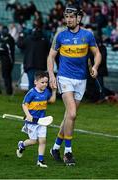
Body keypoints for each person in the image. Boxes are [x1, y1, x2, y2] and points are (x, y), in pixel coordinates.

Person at [47, 4, 101, 166]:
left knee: (68, 116)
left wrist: (95, 67)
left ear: (79, 18)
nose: (68, 20)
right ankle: (68, 152)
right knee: (72, 114)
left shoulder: (88, 35)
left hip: (81, 80)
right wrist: (51, 75)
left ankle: (55, 147)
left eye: (71, 17)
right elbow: (51, 57)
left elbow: (97, 53)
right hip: (65, 78)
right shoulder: (60, 36)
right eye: (66, 17)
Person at [16, 71, 56, 168]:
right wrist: (28, 115)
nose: (45, 84)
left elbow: (51, 101)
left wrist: (54, 91)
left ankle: (40, 160)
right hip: (32, 122)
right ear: (35, 82)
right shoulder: (31, 93)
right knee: (33, 141)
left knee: (43, 141)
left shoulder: (46, 92)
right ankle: (22, 145)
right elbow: (24, 105)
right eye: (42, 82)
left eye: (46, 82)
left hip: (42, 121)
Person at [0, 26, 15, 95]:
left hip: (7, 61)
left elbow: (5, 51)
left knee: (6, 76)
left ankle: (8, 91)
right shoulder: (7, 39)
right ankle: (8, 91)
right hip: (7, 60)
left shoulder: (8, 40)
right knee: (7, 76)